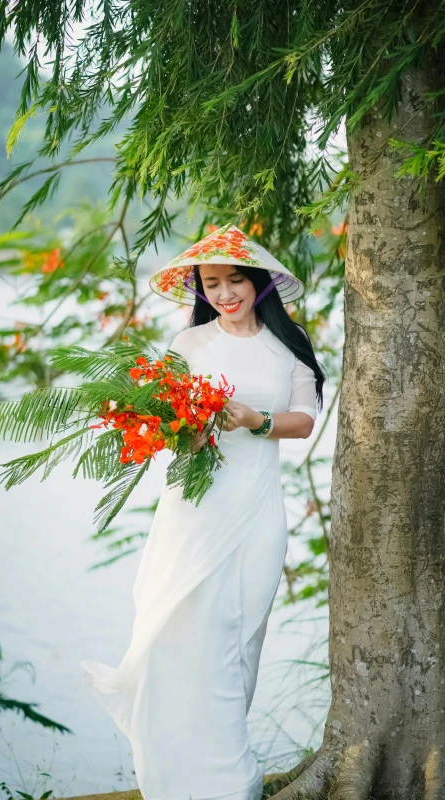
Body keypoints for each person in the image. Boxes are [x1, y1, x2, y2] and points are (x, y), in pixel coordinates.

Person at [80, 223, 326, 800]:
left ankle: (222, 773)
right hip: (194, 510)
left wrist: (253, 420)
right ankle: (191, 778)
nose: (223, 293)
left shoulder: (287, 344)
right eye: (210, 283)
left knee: (239, 640)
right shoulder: (188, 345)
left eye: (233, 279)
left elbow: (303, 420)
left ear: (257, 281)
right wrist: (183, 429)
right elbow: (170, 429)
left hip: (258, 511)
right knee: (184, 634)